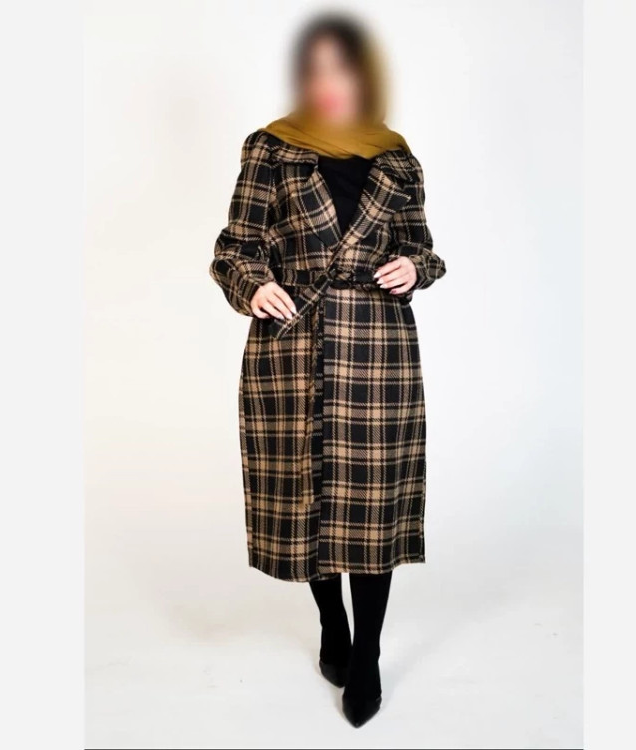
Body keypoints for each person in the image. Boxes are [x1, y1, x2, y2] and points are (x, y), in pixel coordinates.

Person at [210, 13, 446, 728]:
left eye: (341, 69)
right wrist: (252, 284)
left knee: (372, 504)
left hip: (378, 352)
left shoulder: (398, 159)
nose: (328, 83)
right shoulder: (270, 148)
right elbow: (234, 248)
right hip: (292, 347)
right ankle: (331, 622)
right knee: (306, 498)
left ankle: (366, 653)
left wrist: (417, 267)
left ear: (365, 76)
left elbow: (424, 247)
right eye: (315, 70)